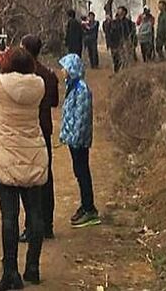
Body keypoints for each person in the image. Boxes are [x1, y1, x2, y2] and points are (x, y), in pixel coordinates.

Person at [0, 46, 48, 290]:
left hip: (5, 157)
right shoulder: (38, 85)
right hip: (32, 155)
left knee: (9, 216)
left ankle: (10, 273)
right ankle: (33, 268)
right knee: (35, 214)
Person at [20, 34, 59, 240]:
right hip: (44, 128)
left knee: (28, 180)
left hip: (27, 130)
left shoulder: (23, 75)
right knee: (45, 176)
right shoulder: (48, 74)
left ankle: (31, 226)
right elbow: (54, 102)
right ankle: (47, 225)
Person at [59, 54, 101, 228]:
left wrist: (75, 138)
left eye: (65, 67)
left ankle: (89, 208)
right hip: (73, 139)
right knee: (79, 172)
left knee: (82, 172)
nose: (62, 71)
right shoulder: (72, 86)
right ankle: (86, 205)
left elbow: (81, 117)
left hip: (79, 141)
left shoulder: (81, 89)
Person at [108, 6, 134, 72]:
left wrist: (129, 41)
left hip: (124, 43)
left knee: (125, 59)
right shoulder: (114, 22)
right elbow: (110, 32)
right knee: (116, 59)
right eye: (118, 10)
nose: (118, 11)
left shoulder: (128, 22)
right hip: (115, 43)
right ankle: (116, 72)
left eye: (120, 10)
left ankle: (124, 72)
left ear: (124, 12)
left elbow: (130, 32)